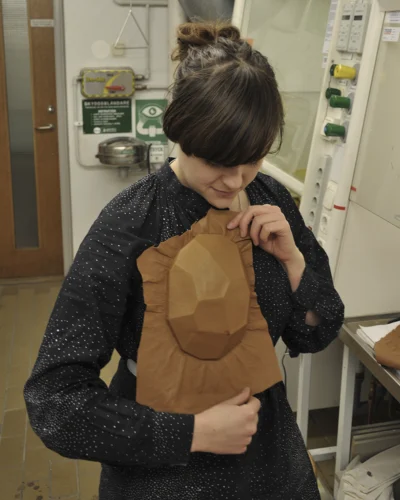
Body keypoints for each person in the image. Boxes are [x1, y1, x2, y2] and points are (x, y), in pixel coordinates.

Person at [24, 21, 344, 500]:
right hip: (165, 477)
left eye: (252, 159)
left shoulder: (269, 200)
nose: (236, 181)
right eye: (218, 161)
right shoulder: (130, 224)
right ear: (180, 129)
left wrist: (294, 261)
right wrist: (190, 433)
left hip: (273, 465)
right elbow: (55, 400)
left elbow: (314, 332)